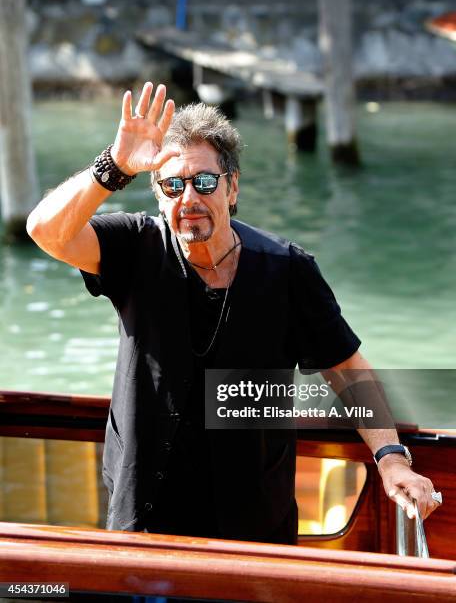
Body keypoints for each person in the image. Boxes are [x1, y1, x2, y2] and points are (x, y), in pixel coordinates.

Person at [27, 82, 440, 544]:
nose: (189, 199)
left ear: (233, 187)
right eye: (173, 185)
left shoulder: (287, 269)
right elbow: (46, 231)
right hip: (145, 521)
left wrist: (390, 457)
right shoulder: (135, 247)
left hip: (253, 525)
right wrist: (114, 166)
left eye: (205, 182)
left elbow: (346, 369)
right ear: (158, 194)